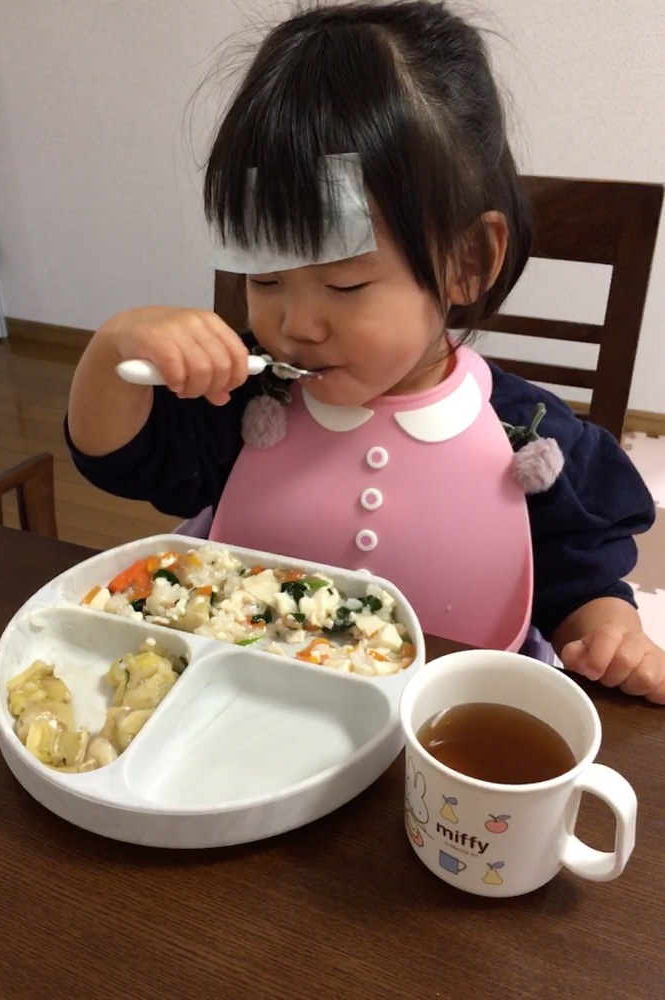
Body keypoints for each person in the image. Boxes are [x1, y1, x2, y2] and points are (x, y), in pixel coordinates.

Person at [66, 1, 664, 702]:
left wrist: (609, 631)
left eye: (345, 284)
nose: (295, 324)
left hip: (440, 719)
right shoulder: (246, 404)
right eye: (265, 278)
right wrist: (113, 351)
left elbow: (575, 572)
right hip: (244, 700)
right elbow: (118, 456)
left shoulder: (526, 437)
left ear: (466, 262)